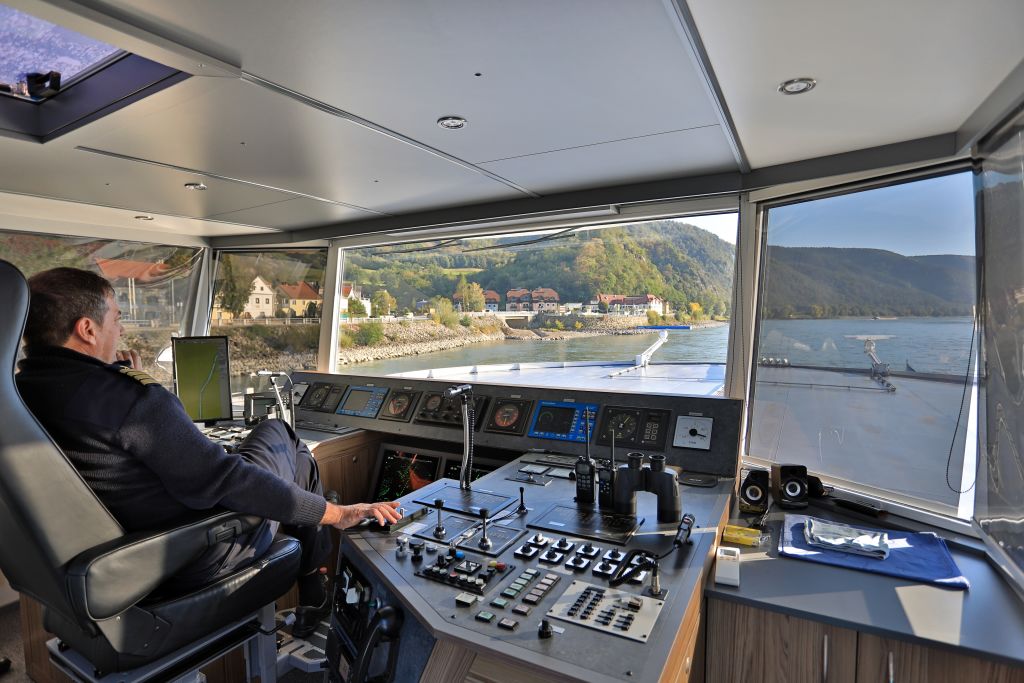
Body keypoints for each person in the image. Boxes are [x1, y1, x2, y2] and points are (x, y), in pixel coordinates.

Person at [14, 267, 401, 638]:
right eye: (116, 319)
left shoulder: (20, 394)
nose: (122, 329)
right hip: (193, 553)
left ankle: (314, 578)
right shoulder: (130, 400)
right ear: (86, 329)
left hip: (112, 560)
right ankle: (315, 579)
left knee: (286, 460)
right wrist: (338, 514)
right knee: (280, 435)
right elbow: (230, 479)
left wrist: (120, 379)